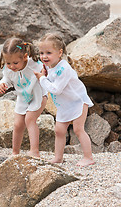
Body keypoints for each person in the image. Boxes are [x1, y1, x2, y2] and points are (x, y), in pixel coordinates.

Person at [34, 33, 95, 167]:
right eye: (41, 53)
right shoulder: (50, 67)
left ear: (59, 52)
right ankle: (58, 157)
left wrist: (42, 79)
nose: (44, 56)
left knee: (79, 130)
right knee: (59, 130)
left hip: (78, 101)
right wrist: (43, 76)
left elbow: (56, 89)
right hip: (65, 105)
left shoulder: (64, 68)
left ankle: (88, 157)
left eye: (49, 53)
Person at [0, 37, 47, 157]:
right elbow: (7, 79)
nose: (12, 66)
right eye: (8, 63)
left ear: (25, 57)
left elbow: (46, 70)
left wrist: (43, 75)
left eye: (15, 63)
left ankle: (34, 151)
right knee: (18, 124)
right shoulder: (8, 68)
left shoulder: (33, 65)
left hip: (38, 96)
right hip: (23, 98)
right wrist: (2, 84)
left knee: (30, 120)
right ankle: (15, 152)